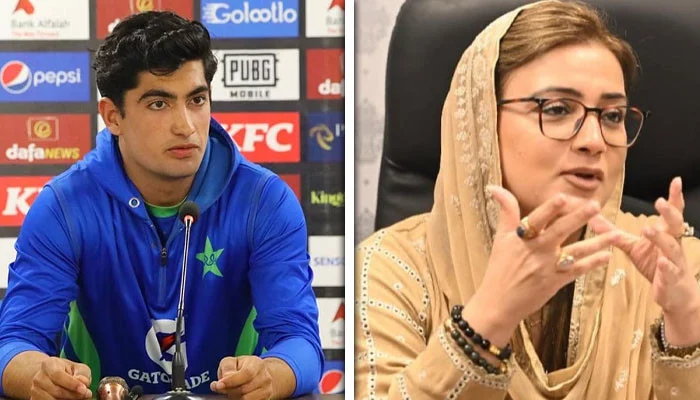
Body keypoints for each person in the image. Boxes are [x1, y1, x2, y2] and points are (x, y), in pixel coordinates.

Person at [355, 1, 700, 399]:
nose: (594, 141)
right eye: (557, 109)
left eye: (612, 116)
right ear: (482, 120)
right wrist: (491, 316)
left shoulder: (673, 265)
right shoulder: (392, 268)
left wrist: (685, 326)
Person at [0, 11, 323, 400]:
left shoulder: (264, 201)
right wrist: (37, 375)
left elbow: (299, 343)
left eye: (197, 100)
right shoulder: (63, 207)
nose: (185, 125)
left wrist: (272, 375)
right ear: (113, 117)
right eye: (159, 104)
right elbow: (15, 343)